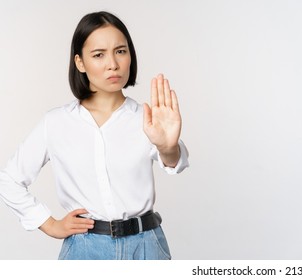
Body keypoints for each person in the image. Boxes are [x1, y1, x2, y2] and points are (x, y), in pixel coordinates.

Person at [0, 11, 189, 260]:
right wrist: (49, 223)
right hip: (85, 250)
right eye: (99, 55)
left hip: (146, 247)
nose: (113, 64)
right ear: (80, 62)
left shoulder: (146, 118)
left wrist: (168, 147)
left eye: (120, 51)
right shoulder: (56, 122)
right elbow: (9, 180)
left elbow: (175, 161)